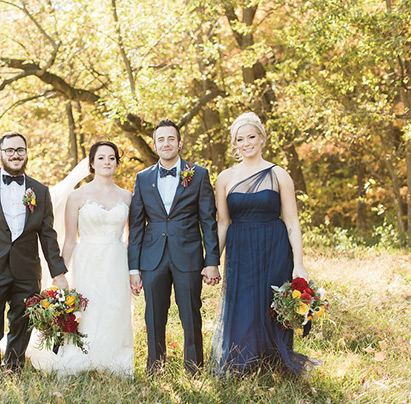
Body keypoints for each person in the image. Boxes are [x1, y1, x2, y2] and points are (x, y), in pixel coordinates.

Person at [0, 131, 68, 375]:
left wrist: (58, 271)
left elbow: (47, 234)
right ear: (0, 154)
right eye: (10, 150)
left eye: (20, 150)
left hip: (27, 268)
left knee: (22, 321)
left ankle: (14, 368)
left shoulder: (40, 190)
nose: (15, 155)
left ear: (27, 153)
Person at [211, 112, 311, 376]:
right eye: (240, 139)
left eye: (251, 137)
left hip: (274, 247)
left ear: (262, 138)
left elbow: (291, 221)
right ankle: (243, 362)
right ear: (234, 144)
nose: (246, 143)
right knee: (243, 304)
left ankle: (274, 361)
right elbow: (222, 223)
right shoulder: (225, 178)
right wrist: (210, 261)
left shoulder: (278, 174)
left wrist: (298, 264)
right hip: (240, 249)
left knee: (272, 306)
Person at [27, 141, 134, 376]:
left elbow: (130, 238)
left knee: (115, 306)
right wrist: (60, 275)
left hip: (117, 259)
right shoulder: (77, 197)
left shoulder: (128, 197)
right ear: (92, 163)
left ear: (117, 162)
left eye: (112, 158)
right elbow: (70, 240)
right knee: (88, 307)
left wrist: (133, 271)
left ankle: (114, 357)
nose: (107, 162)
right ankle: (83, 355)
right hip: (86, 260)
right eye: (102, 158)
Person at [128, 119, 221, 375]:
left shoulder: (199, 174)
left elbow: (208, 220)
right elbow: (135, 226)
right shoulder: (143, 178)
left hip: (188, 256)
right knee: (154, 314)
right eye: (161, 139)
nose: (166, 143)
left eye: (171, 139)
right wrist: (133, 268)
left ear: (179, 143)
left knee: (191, 313)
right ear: (155, 145)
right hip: (152, 258)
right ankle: (155, 367)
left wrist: (212, 260)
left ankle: (194, 369)